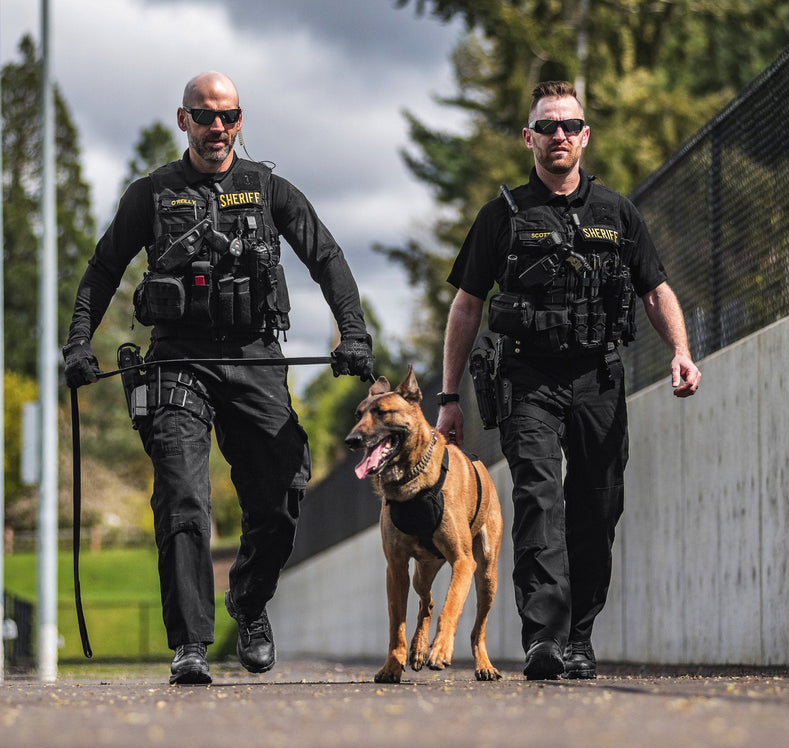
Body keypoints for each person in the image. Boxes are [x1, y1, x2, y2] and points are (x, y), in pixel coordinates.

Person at [63, 72, 373, 685]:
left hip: (256, 357)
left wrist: (354, 333)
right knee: (182, 496)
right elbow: (102, 270)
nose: (217, 128)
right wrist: (76, 342)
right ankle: (191, 646)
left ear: (240, 120)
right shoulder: (150, 195)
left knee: (282, 495)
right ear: (184, 121)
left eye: (228, 116)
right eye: (204, 116)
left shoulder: (268, 189)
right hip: (177, 361)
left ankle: (250, 602)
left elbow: (327, 258)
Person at [435, 80, 700, 681]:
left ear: (584, 137)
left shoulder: (617, 213)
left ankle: (580, 637)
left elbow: (655, 290)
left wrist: (681, 351)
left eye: (568, 126)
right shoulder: (501, 216)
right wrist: (449, 399)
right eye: (547, 126)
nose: (558, 135)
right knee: (537, 500)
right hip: (528, 378)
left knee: (596, 508)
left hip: (599, 378)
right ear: (528, 137)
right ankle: (544, 639)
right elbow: (467, 307)